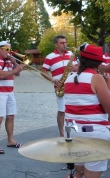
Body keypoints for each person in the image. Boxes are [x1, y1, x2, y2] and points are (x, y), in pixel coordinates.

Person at [64, 43, 110, 178]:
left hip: (72, 132)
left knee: (76, 173)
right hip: (93, 133)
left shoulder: (69, 78)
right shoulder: (96, 78)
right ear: (98, 62)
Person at [0, 41, 24, 154]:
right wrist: (16, 69)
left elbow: (17, 74)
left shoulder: (9, 60)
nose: (9, 52)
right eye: (7, 49)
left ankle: (11, 140)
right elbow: (1, 75)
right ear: (0, 49)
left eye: (10, 49)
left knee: (11, 116)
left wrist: (14, 64)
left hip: (10, 92)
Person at [41, 35, 78, 137]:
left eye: (65, 42)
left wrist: (74, 68)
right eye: (62, 43)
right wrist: (53, 80)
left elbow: (77, 67)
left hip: (73, 86)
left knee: (73, 109)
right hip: (60, 86)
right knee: (61, 111)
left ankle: (73, 131)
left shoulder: (71, 54)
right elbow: (43, 72)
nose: (64, 44)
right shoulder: (50, 56)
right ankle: (62, 134)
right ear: (56, 44)